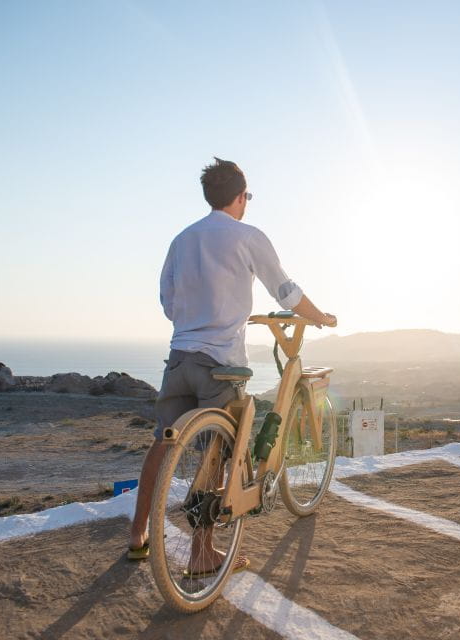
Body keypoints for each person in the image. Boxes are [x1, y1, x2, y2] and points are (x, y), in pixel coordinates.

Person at [127, 157, 336, 574]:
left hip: (180, 356)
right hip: (220, 363)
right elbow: (286, 291)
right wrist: (320, 317)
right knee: (221, 452)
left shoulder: (181, 240)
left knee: (163, 442)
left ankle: (137, 535)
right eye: (248, 197)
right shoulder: (247, 236)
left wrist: (196, 318)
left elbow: (168, 301)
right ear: (240, 197)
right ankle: (203, 551)